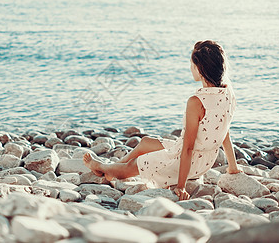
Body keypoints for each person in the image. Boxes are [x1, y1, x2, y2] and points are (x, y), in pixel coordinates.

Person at [83, 40, 242, 200]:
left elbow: (188, 148)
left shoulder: (197, 101)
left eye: (192, 65)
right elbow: (224, 131)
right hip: (204, 159)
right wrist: (233, 167)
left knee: (133, 165)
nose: (190, 69)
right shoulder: (228, 94)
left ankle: (102, 167)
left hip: (188, 160)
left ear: (200, 69)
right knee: (145, 142)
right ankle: (113, 169)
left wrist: (181, 187)